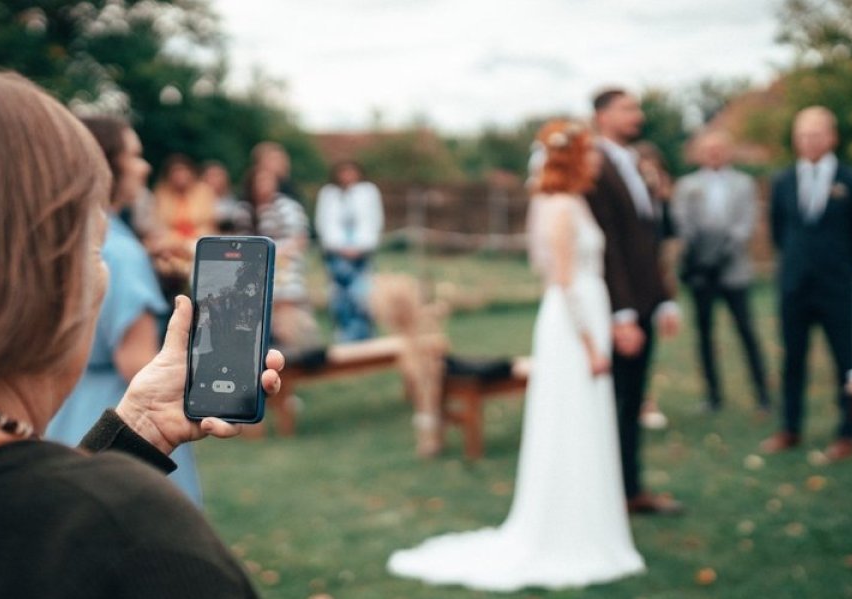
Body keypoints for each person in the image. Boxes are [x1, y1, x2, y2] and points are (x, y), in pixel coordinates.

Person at [0, 57, 285, 598]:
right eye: (93, 247)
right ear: (40, 276)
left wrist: (133, 435)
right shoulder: (131, 541)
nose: (102, 274)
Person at [387, 120, 645, 591]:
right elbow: (562, 281)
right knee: (572, 418)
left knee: (585, 418)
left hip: (583, 315)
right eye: (590, 153)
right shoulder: (561, 206)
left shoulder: (569, 202)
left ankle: (588, 518)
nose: (597, 161)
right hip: (573, 325)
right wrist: (591, 344)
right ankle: (569, 527)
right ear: (572, 158)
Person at [44, 116, 204, 505]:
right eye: (134, 155)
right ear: (105, 163)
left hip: (67, 413)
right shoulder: (120, 251)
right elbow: (136, 363)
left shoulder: (61, 238)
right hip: (125, 420)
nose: (144, 167)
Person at [584, 88, 683, 515]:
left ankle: (628, 487)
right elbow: (610, 246)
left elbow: (648, 240)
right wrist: (622, 314)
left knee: (633, 400)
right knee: (618, 402)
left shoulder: (635, 163)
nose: (637, 115)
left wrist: (663, 299)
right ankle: (618, 489)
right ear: (602, 117)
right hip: (619, 307)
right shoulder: (596, 166)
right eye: (626, 108)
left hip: (644, 300)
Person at [761, 106, 852, 461]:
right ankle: (790, 427)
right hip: (794, 285)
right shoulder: (782, 181)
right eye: (803, 135)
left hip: (836, 285)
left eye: (816, 134)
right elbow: (778, 230)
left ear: (832, 137)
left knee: (845, 360)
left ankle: (848, 431)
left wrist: (841, 268)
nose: (809, 141)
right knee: (793, 358)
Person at [672, 130, 771, 413]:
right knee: (704, 333)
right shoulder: (687, 185)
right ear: (700, 154)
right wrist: (701, 258)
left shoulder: (744, 183)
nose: (714, 154)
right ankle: (713, 395)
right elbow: (683, 222)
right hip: (701, 272)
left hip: (733, 269)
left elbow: (745, 223)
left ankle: (762, 393)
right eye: (709, 149)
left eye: (719, 149)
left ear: (728, 152)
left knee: (745, 330)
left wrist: (722, 254)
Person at [235, 167, 320, 352]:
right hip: (255, 264)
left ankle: (297, 344)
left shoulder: (288, 207)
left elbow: (300, 239)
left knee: (286, 300)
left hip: (285, 263)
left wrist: (276, 253)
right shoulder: (244, 210)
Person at [632, 140, 676, 430]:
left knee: (649, 342)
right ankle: (637, 401)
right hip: (632, 283)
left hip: (654, 281)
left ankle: (645, 399)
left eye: (654, 171)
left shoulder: (663, 204)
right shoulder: (632, 204)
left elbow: (669, 242)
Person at [315, 160, 384, 342]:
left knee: (362, 296)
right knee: (339, 297)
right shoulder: (329, 194)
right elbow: (323, 223)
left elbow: (374, 221)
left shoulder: (368, 192)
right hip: (336, 254)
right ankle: (344, 336)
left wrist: (362, 247)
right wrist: (338, 247)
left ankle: (365, 336)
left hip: (362, 254)